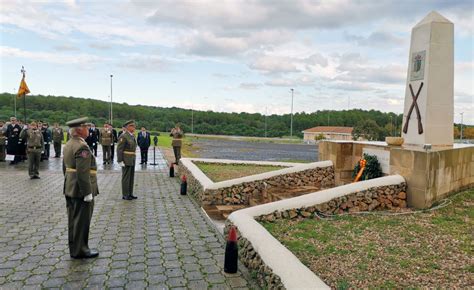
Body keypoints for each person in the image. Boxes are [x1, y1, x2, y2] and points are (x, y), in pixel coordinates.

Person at [63, 117, 99, 259]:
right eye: (86, 127)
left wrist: (68, 183)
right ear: (79, 130)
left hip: (71, 186)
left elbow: (65, 168)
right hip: (80, 189)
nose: (88, 129)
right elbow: (82, 172)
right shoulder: (81, 146)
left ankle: (75, 249)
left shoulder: (69, 144)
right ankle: (81, 250)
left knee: (73, 220)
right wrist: (87, 192)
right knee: (82, 221)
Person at [117, 120, 137, 200]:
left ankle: (130, 193)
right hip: (126, 158)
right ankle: (125, 194)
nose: (134, 127)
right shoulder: (124, 136)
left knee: (131, 177)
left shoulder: (132, 136)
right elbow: (119, 149)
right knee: (126, 177)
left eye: (134, 125)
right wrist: (120, 160)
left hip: (132, 158)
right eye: (132, 126)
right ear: (127, 127)